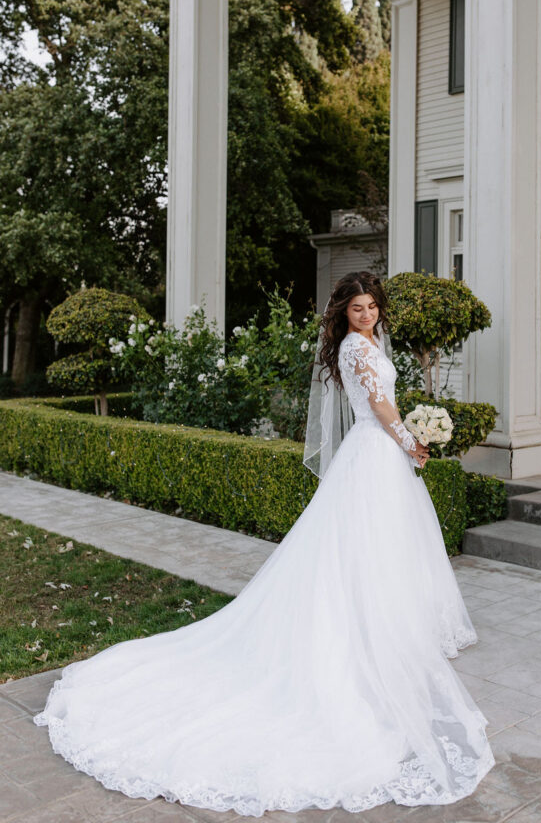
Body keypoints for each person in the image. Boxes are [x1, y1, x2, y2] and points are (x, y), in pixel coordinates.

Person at [33, 270, 495, 815]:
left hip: (375, 458)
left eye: (371, 306)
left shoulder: (367, 343)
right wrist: (411, 440)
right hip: (375, 454)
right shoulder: (357, 350)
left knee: (368, 552)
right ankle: (365, 637)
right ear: (343, 313)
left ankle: (378, 623)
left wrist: (405, 441)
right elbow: (381, 407)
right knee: (364, 547)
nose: (366, 314)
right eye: (357, 308)